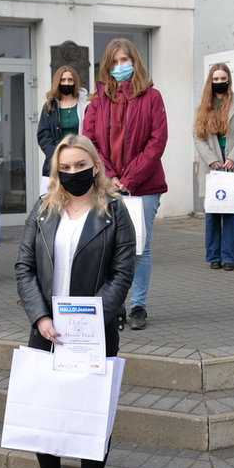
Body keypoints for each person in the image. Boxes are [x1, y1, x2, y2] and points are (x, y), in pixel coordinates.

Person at [13, 134, 135, 468]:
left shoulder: (114, 211)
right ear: (56, 171)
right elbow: (24, 267)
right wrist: (39, 317)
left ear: (95, 166)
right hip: (46, 327)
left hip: (93, 329)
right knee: (43, 405)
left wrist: (93, 318)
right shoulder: (43, 209)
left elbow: (122, 272)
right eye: (64, 167)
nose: (72, 172)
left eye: (80, 165)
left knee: (92, 409)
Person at [83, 37, 167, 330]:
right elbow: (89, 141)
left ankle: (138, 305)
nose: (120, 66)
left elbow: (157, 141)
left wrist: (129, 179)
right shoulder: (97, 101)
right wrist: (109, 177)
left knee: (140, 247)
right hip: (107, 186)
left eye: (125, 60)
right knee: (107, 247)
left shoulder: (152, 97)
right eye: (115, 61)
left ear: (135, 62)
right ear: (107, 66)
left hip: (144, 187)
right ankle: (113, 303)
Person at [194, 63, 234, 270]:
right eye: (215, 79)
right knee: (212, 214)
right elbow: (197, 136)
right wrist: (211, 159)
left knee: (230, 214)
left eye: (222, 78)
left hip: (232, 165)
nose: (219, 82)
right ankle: (213, 256)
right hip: (211, 167)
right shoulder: (203, 105)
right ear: (210, 81)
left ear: (229, 79)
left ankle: (228, 258)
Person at [37, 65, 89, 177]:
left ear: (75, 82)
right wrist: (57, 155)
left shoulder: (85, 105)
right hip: (56, 161)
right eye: (63, 80)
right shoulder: (50, 106)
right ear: (58, 82)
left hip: (81, 159)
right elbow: (43, 135)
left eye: (70, 80)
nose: (66, 83)